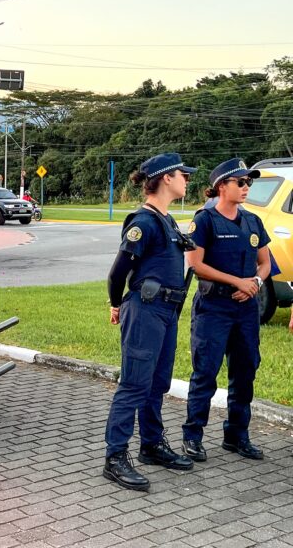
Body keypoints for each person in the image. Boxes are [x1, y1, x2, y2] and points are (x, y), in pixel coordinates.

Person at [103, 153, 197, 492]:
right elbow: (117, 273)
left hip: (166, 312)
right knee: (134, 384)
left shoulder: (167, 220)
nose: (187, 179)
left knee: (157, 384)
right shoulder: (143, 222)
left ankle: (151, 445)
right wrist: (116, 304)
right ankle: (114, 458)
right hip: (145, 311)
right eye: (182, 174)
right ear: (165, 179)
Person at [182, 158, 271, 461]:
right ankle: (193, 436)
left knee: (245, 371)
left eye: (249, 182)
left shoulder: (253, 221)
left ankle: (236, 435)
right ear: (222, 186)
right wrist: (238, 281)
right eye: (241, 182)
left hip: (246, 310)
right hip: (214, 306)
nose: (247, 188)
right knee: (205, 372)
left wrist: (256, 283)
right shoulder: (204, 220)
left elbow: (266, 262)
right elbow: (196, 265)